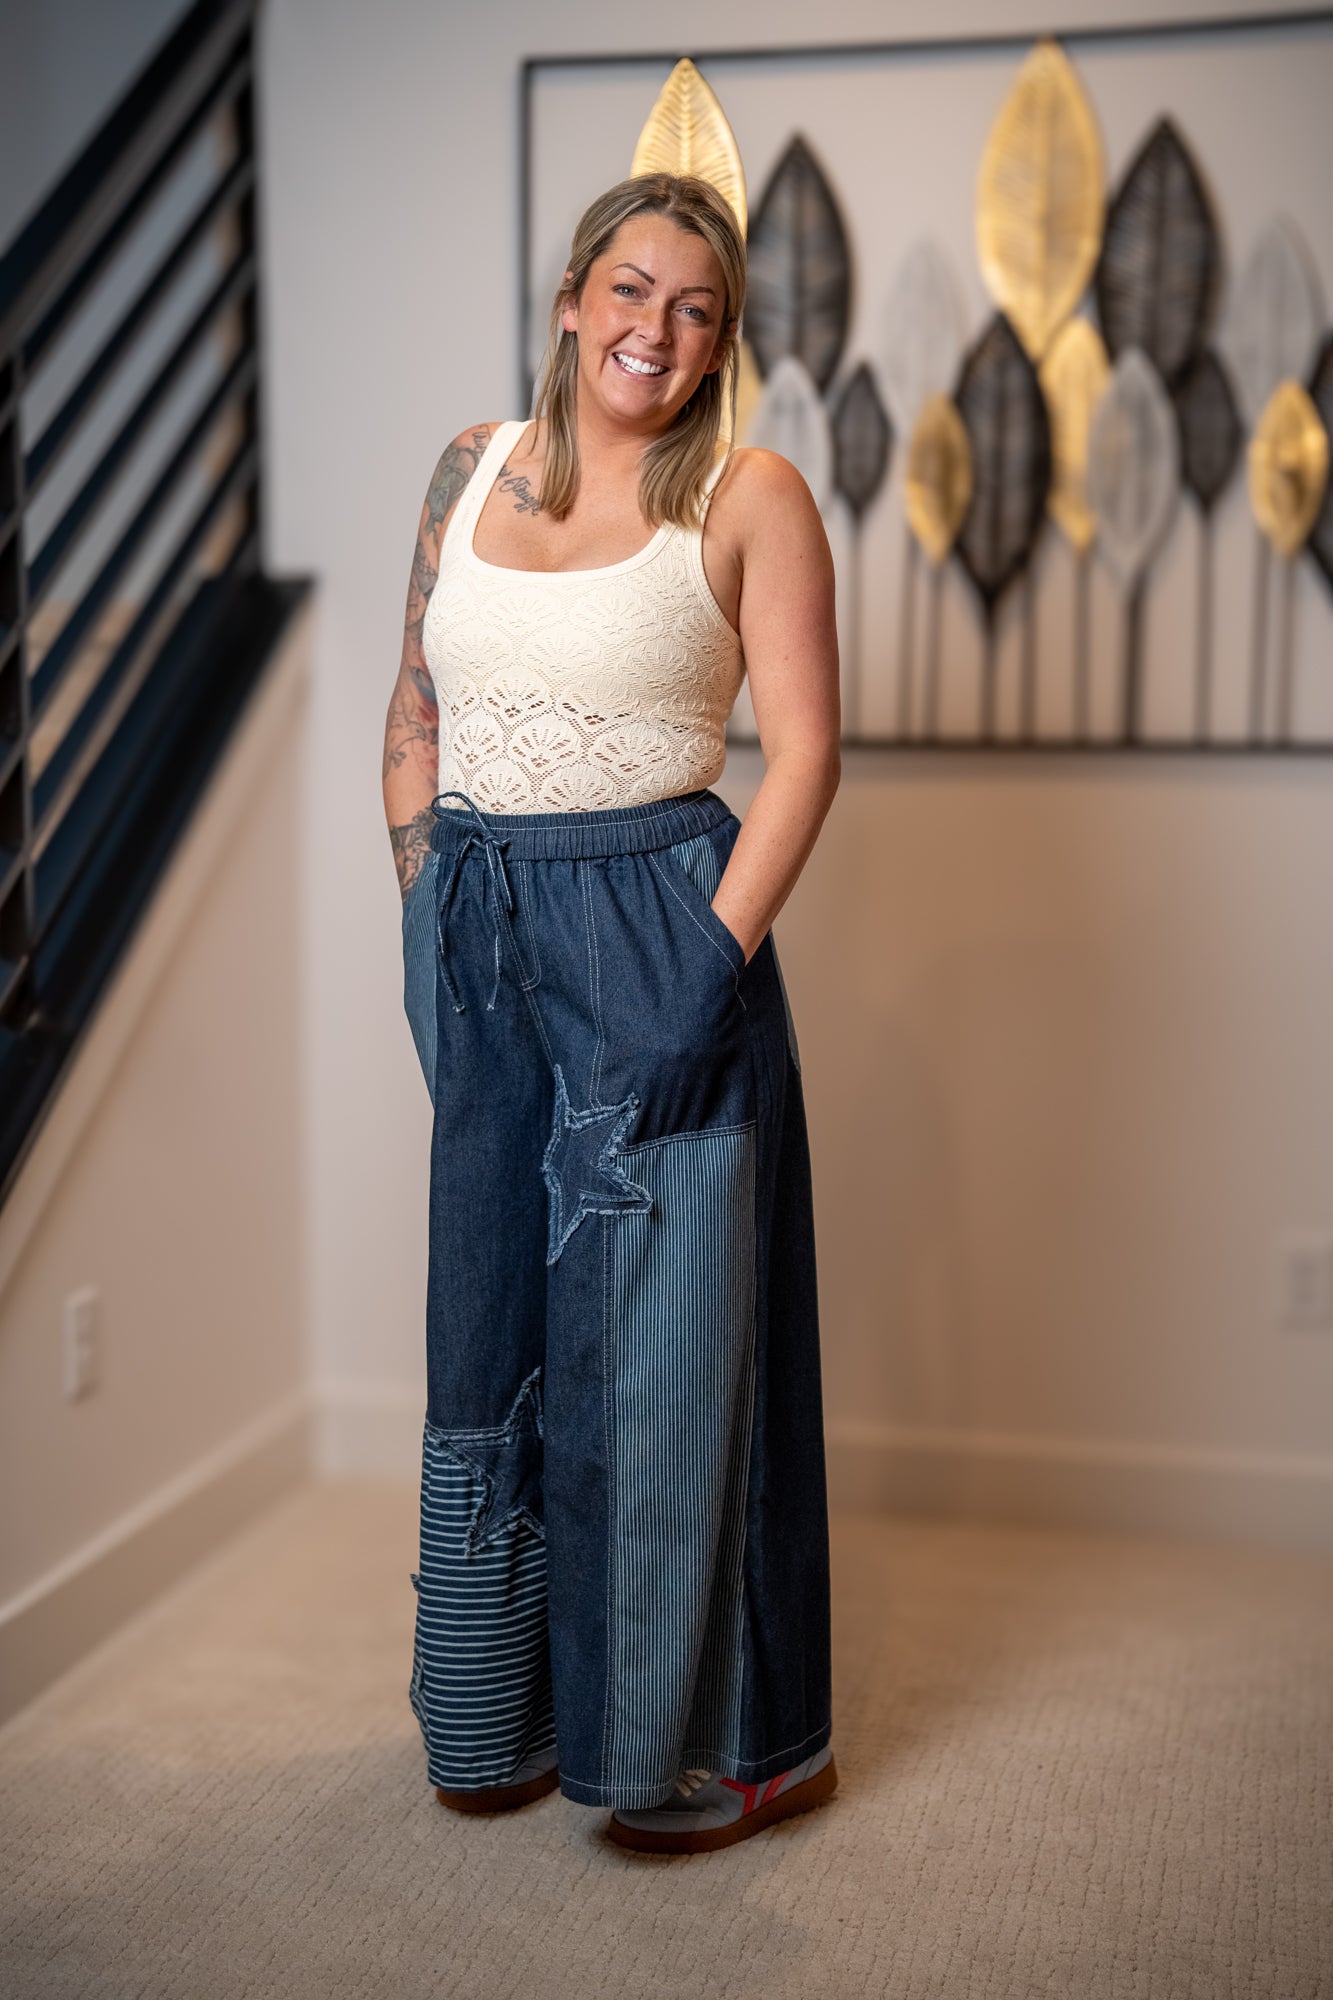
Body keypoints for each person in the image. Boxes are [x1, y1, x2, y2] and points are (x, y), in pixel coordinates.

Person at [380, 171, 841, 1856]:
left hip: (660, 927)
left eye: (695, 310)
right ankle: (494, 1711)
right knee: (488, 1320)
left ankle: (707, 1749)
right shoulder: (469, 466)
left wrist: (701, 969)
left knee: (664, 1350)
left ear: (720, 342)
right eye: (631, 291)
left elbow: (806, 753)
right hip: (480, 931)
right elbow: (415, 704)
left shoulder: (747, 492)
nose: (656, 330)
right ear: (574, 295)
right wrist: (422, 903)